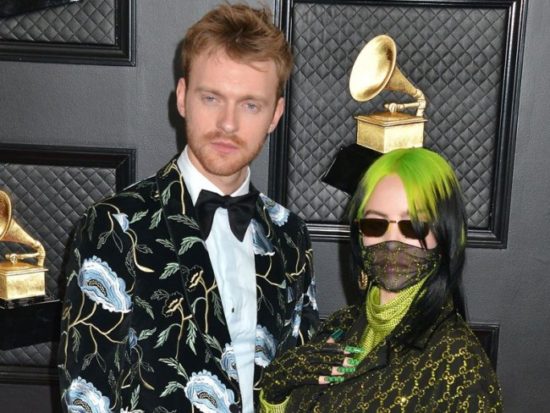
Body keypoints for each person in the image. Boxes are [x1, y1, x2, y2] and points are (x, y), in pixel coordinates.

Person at [57, 4, 318, 412]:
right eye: (211, 98)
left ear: (275, 115)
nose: (228, 123)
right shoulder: (114, 228)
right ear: (182, 98)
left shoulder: (290, 235)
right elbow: (85, 397)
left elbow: (303, 387)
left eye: (250, 104)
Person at [260, 148, 503, 412]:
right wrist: (276, 389)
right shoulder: (342, 325)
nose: (392, 241)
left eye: (414, 226)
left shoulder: (458, 360)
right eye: (375, 224)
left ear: (445, 236)